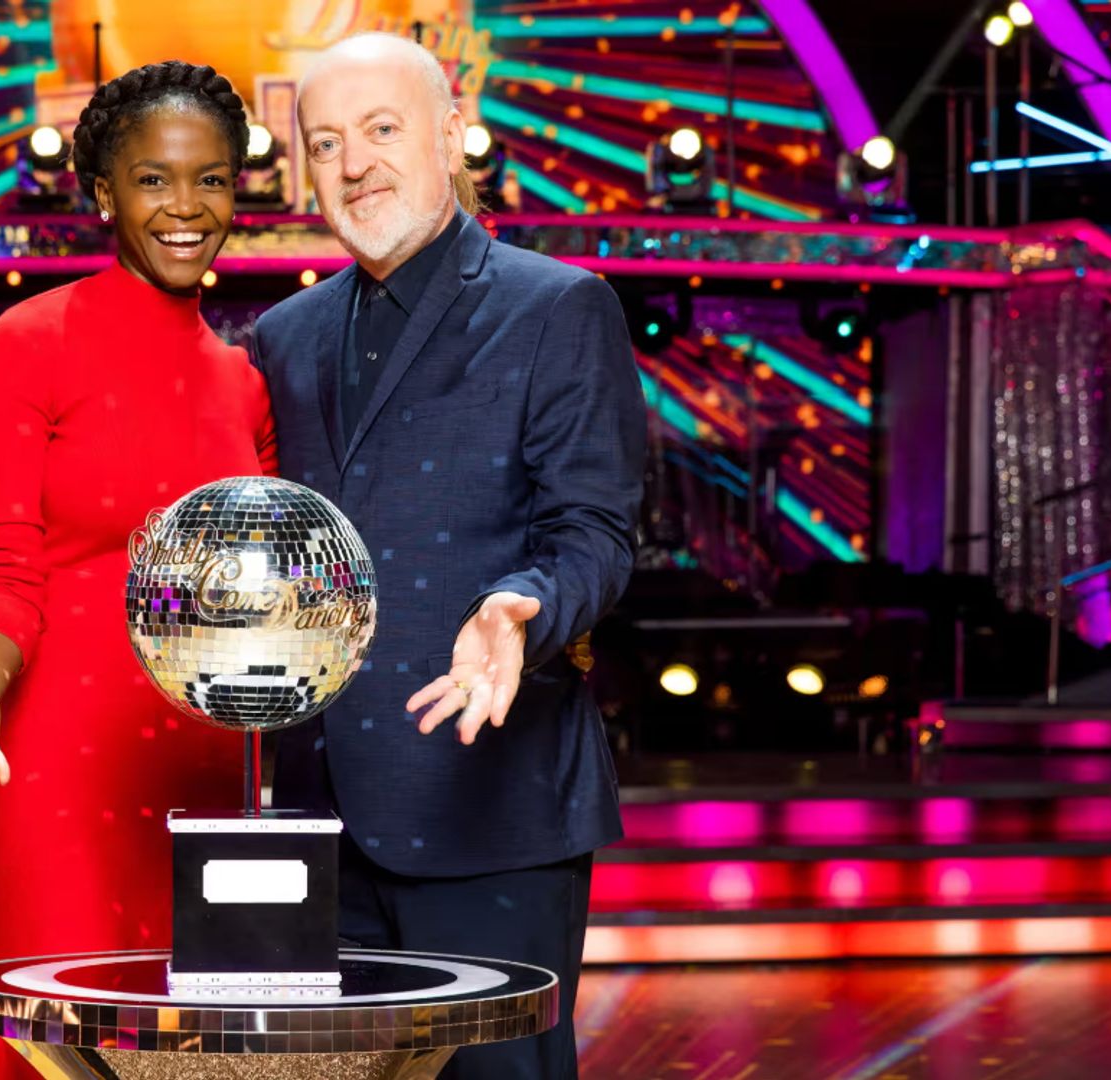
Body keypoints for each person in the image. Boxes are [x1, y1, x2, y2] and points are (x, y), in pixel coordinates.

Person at [249, 32, 646, 1080]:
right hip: (314, 820)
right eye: (325, 141)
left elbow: (595, 534)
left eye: (382, 130)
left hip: (491, 813)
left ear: (447, 137)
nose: (353, 162)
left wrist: (523, 605)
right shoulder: (281, 336)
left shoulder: (558, 304)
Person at [0, 60, 274, 1080]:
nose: (186, 207)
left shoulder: (245, 381)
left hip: (205, 764)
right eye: (153, 180)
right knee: (58, 1048)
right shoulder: (28, 345)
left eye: (211, 179)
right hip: (55, 755)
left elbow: (274, 594)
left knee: (198, 1054)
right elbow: (10, 567)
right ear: (102, 192)